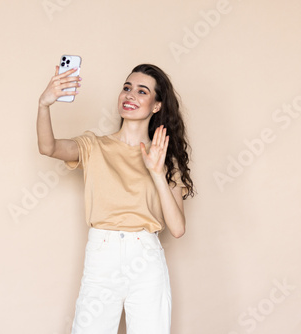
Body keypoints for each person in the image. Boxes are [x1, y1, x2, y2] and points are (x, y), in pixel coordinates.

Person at [37, 63, 195, 334]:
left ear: (157, 105)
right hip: (102, 254)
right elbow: (48, 147)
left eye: (142, 91)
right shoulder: (94, 146)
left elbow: (178, 229)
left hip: (145, 258)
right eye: (126, 88)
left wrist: (157, 173)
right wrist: (44, 105)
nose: (130, 95)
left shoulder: (164, 158)